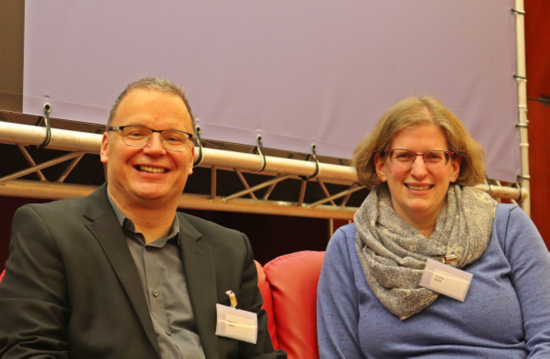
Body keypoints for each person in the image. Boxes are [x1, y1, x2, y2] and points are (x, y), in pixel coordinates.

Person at [0, 77, 286, 359]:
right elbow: (28, 352)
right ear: (105, 147)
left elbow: (258, 354)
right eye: (136, 133)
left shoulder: (230, 249)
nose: (155, 149)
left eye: (173, 138)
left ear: (190, 158)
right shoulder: (49, 232)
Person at [317, 96, 550, 357]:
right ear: (381, 166)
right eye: (404, 156)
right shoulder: (349, 246)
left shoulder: (508, 227)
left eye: (433, 157)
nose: (419, 170)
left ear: (454, 167)